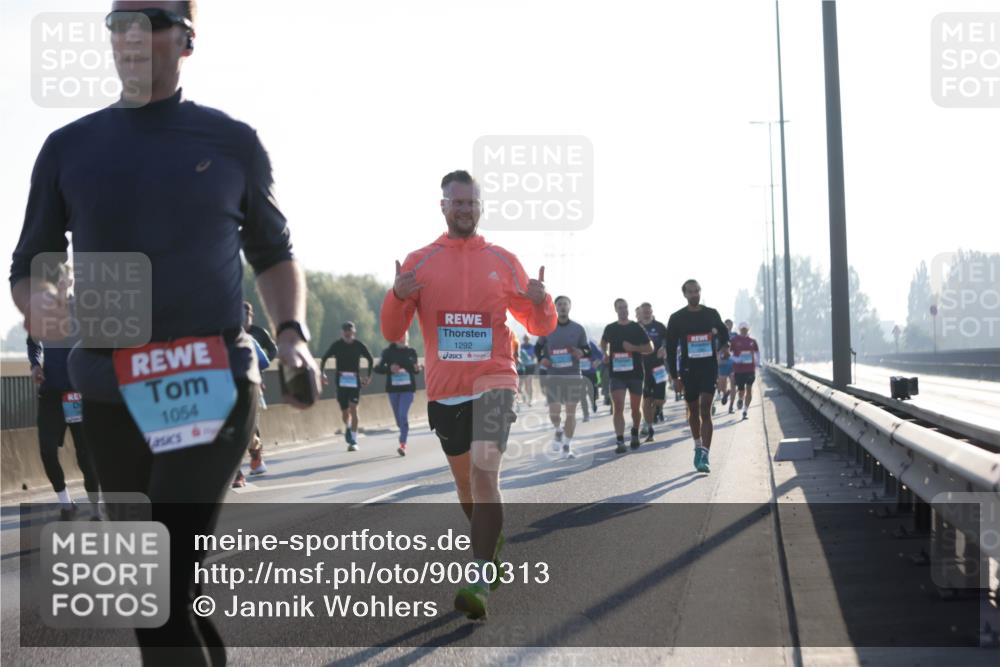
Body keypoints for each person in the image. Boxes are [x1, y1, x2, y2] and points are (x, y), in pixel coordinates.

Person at [9, 3, 321, 663]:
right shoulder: (67, 147)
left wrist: (290, 333)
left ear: (186, 40)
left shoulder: (230, 142)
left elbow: (272, 252)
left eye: (148, 19)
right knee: (152, 594)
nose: (129, 33)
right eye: (117, 20)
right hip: (110, 389)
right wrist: (45, 306)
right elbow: (28, 263)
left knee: (160, 580)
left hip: (208, 376)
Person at [381, 169, 555, 619]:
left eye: (472, 203)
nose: (465, 209)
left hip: (495, 381)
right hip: (445, 391)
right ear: (443, 206)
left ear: (481, 207)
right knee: (465, 486)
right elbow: (393, 331)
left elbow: (538, 325)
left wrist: (540, 300)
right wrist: (397, 295)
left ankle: (478, 577)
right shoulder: (420, 261)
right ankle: (489, 541)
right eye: (457, 203)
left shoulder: (502, 259)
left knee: (484, 472)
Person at [27, 329, 102, 520]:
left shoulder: (87, 313)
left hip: (79, 394)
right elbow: (33, 342)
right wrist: (35, 365)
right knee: (47, 450)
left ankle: (95, 508)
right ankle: (66, 504)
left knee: (86, 454)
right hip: (51, 395)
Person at [666, 280, 730, 474]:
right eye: (691, 292)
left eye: (697, 291)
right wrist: (674, 377)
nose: (694, 294)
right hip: (688, 369)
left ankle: (705, 454)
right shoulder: (677, 318)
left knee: (705, 409)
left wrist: (723, 347)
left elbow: (724, 333)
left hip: (708, 367)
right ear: (684, 294)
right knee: (693, 411)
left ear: (700, 292)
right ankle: (697, 445)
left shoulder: (711, 314)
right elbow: (670, 348)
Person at [536, 296, 589, 458]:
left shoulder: (578, 329)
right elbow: (537, 348)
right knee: (555, 413)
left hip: (573, 375)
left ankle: (567, 445)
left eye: (565, 304)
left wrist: (582, 352)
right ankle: (558, 430)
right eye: (560, 304)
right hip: (554, 376)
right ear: (555, 308)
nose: (563, 307)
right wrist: (541, 359)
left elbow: (587, 349)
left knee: (571, 413)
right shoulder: (547, 328)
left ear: (570, 307)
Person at [601, 299, 653, 453]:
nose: (623, 310)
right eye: (620, 308)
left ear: (628, 309)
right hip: (617, 373)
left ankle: (635, 431)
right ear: (615, 310)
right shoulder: (610, 328)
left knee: (636, 408)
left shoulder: (636, 327)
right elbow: (603, 342)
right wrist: (605, 353)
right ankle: (620, 440)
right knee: (618, 406)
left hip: (635, 373)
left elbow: (650, 347)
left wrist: (634, 348)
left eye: (625, 307)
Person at [320, 321, 374, 451]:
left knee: (354, 408)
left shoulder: (359, 345)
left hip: (355, 380)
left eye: (350, 331)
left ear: (354, 332)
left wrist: (368, 376)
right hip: (341, 381)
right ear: (342, 333)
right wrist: (322, 373)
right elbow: (325, 358)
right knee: (345, 412)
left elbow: (370, 359)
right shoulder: (337, 345)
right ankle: (348, 426)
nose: (348, 334)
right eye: (345, 331)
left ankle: (354, 440)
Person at [373, 332, 422, 456]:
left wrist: (417, 369)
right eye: (399, 336)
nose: (402, 339)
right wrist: (389, 368)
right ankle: (403, 431)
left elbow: (415, 370)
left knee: (403, 415)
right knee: (399, 420)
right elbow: (377, 368)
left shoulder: (411, 352)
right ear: (394, 339)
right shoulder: (388, 352)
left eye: (404, 336)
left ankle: (403, 444)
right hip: (393, 390)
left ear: (407, 337)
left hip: (408, 390)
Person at [637, 302, 669, 442]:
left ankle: (658, 409)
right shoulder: (635, 327)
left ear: (651, 311)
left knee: (659, 399)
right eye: (644, 311)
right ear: (640, 312)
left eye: (648, 311)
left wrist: (664, 348)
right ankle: (648, 427)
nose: (646, 313)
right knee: (646, 399)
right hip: (643, 368)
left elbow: (668, 340)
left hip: (659, 367)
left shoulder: (660, 326)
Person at [730, 321, 761, 420]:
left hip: (750, 369)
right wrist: (737, 359)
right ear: (739, 329)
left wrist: (757, 363)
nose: (744, 330)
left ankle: (745, 411)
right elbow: (730, 354)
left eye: (745, 329)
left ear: (748, 329)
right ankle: (740, 399)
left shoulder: (752, 341)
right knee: (741, 390)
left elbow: (757, 354)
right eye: (742, 329)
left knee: (749, 389)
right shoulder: (734, 340)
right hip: (739, 370)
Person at [580, 337, 602, 415]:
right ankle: (585, 412)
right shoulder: (572, 343)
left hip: (591, 372)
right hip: (579, 373)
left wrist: (596, 362)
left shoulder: (591, 343)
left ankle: (593, 403)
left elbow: (600, 355)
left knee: (591, 391)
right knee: (581, 393)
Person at [518, 334, 537, 405]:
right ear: (523, 339)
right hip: (522, 367)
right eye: (525, 338)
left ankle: (530, 399)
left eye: (527, 338)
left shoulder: (532, 347)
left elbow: (535, 356)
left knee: (529, 383)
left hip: (530, 366)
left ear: (529, 339)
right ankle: (524, 397)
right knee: (520, 385)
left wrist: (533, 357)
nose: (526, 340)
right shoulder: (521, 347)